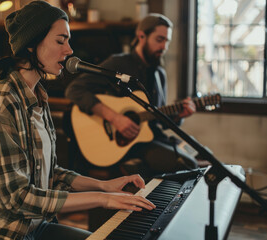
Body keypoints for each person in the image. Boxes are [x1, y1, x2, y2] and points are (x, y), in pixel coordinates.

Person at [0, 1, 155, 239]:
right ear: (31, 45)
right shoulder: (3, 100)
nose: (69, 50)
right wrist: (103, 199)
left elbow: (51, 173)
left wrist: (104, 185)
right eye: (61, 40)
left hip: (33, 226)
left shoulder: (38, 96)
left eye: (68, 41)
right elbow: (18, 198)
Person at [65, 13, 206, 178]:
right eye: (159, 40)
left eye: (167, 41)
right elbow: (75, 89)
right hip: (127, 143)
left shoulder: (159, 73)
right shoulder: (119, 63)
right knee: (188, 164)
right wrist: (115, 118)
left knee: (201, 154)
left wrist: (179, 116)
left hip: (150, 137)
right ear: (141, 36)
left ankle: (137, 169)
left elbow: (157, 117)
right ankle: (132, 169)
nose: (164, 47)